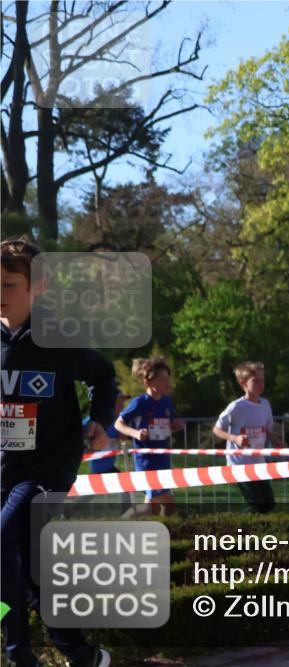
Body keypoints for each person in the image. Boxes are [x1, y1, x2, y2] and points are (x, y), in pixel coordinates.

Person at [1, 237, 115, 667]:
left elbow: (103, 377)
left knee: (2, 544)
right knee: (32, 567)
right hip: (4, 470)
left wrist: (102, 422)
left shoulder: (60, 339)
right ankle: (80, 652)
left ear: (39, 287)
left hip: (47, 467)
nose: (0, 294)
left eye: (10, 284)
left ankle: (18, 653)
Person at [115, 358, 185, 517]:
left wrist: (177, 425)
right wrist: (135, 433)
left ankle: (119, 524)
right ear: (148, 381)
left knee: (149, 509)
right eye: (162, 379)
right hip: (147, 462)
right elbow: (118, 424)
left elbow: (170, 422)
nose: (168, 383)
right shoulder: (139, 403)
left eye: (168, 378)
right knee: (169, 506)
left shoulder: (167, 401)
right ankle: (170, 536)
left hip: (164, 459)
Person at [213, 361, 284, 513]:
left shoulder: (265, 404)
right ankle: (240, 530)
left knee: (268, 503)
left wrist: (277, 441)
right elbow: (217, 429)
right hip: (240, 463)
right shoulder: (236, 406)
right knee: (255, 504)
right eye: (256, 380)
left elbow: (268, 429)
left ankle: (260, 532)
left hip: (258, 461)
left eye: (262, 380)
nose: (260, 384)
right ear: (243, 383)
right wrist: (235, 438)